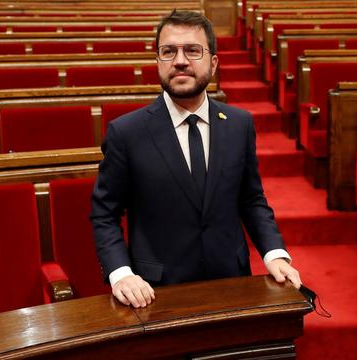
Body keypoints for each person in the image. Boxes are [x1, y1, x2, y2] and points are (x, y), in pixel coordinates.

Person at [90, 9, 302, 308]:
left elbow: (251, 199)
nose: (180, 60)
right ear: (158, 62)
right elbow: (104, 213)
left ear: (213, 62)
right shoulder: (127, 132)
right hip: (157, 292)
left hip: (232, 281)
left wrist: (274, 253)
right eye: (168, 51)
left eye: (192, 50)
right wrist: (121, 273)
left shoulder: (239, 124)